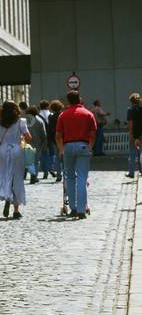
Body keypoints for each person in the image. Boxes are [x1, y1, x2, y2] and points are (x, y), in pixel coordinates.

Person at [55, 91, 97, 219]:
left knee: (70, 177)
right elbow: (93, 133)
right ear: (79, 99)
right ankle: (81, 210)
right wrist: (89, 147)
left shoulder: (63, 115)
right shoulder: (88, 114)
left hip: (68, 146)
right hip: (83, 145)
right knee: (82, 178)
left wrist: (61, 149)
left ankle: (73, 208)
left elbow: (58, 136)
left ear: (68, 101)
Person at [0, 100, 31, 220]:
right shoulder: (21, 122)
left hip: (3, 150)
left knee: (4, 176)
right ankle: (16, 210)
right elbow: (28, 137)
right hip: (17, 150)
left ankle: (7, 196)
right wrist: (22, 137)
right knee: (17, 178)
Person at [24, 106, 47, 185]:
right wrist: (44, 144)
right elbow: (44, 134)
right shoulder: (39, 121)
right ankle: (34, 176)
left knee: (27, 161)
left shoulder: (23, 121)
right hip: (37, 144)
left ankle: (28, 173)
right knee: (36, 161)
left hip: (25, 143)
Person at [46, 100, 63, 181]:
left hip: (55, 139)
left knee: (57, 158)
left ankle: (59, 175)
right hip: (64, 139)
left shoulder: (51, 117)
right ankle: (67, 174)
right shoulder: (63, 115)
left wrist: (49, 141)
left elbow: (49, 130)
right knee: (66, 158)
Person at [127, 92, 142, 178]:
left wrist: (131, 133)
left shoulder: (130, 110)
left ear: (131, 101)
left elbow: (130, 123)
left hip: (134, 134)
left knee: (132, 153)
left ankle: (131, 172)